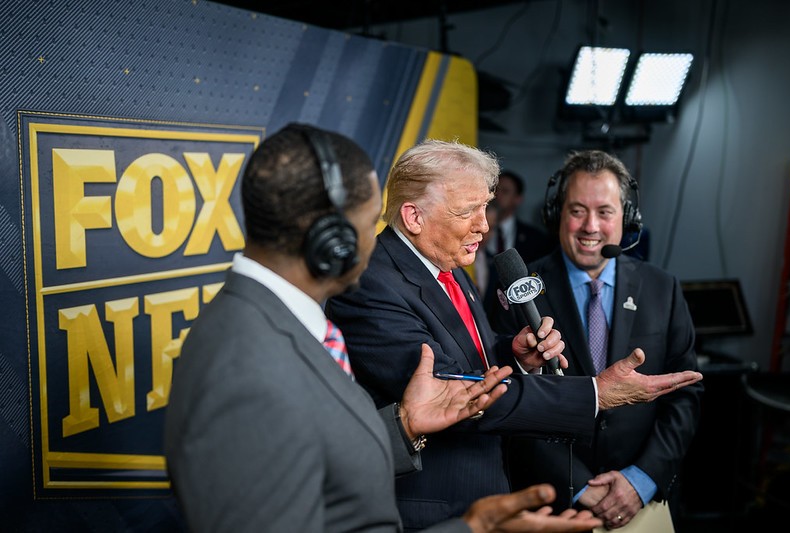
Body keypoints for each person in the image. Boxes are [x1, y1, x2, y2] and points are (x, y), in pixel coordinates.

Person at [163, 123, 605, 533]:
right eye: (369, 218)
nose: (373, 239)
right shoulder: (240, 360)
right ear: (331, 241)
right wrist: (470, 528)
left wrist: (405, 426)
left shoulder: (271, 326)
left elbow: (323, 470)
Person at [325, 139, 703, 531]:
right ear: (414, 216)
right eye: (468, 211)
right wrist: (594, 392)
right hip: (430, 515)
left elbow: (477, 363)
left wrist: (517, 358)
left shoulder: (450, 267)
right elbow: (453, 394)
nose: (485, 225)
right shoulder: (370, 284)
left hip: (483, 501)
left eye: (485, 207)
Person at [497, 150, 703, 531]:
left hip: (643, 507)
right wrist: (578, 486)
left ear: (627, 217)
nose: (590, 226)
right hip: (552, 506)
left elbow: (684, 397)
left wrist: (641, 480)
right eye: (577, 211)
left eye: (605, 212)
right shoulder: (518, 293)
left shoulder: (664, 289)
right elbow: (507, 400)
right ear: (556, 214)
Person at [482, 170, 556, 328]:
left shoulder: (536, 239)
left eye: (505, 191)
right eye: (495, 190)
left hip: (520, 321)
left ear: (518, 199)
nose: (497, 195)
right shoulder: (476, 233)